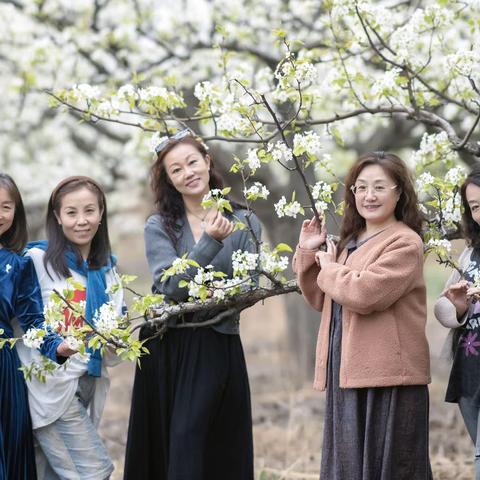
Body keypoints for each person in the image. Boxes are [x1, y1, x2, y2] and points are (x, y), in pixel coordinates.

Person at [124, 130, 261, 480]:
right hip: (168, 342)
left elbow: (251, 286)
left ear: (207, 161)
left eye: (191, 162)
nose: (187, 172)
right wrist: (209, 243)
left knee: (216, 442)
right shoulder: (160, 226)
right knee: (178, 440)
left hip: (217, 339)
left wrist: (219, 290)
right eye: (176, 170)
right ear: (169, 180)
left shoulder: (245, 221)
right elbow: (168, 284)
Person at [293, 152, 432, 479]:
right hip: (348, 372)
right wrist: (310, 252)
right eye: (362, 187)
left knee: (392, 467)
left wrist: (330, 267)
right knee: (351, 467)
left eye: (380, 187)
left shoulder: (405, 242)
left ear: (399, 193)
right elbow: (325, 299)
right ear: (352, 193)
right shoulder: (350, 242)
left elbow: (365, 294)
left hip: (389, 377)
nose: (369, 196)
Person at [16, 176, 124, 480]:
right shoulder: (36, 261)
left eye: (89, 211)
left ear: (101, 213)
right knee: (93, 472)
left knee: (50, 474)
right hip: (50, 387)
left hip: (88, 378)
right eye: (71, 213)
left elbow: (117, 322)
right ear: (57, 216)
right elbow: (28, 319)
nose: (82, 221)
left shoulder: (108, 268)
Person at [0, 173, 74, 480]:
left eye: (6, 206)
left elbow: (32, 321)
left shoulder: (18, 264)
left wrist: (58, 346)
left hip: (3, 373)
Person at [434, 165, 480, 480]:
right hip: (471, 367)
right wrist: (457, 306)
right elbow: (444, 310)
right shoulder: (471, 254)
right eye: (475, 206)